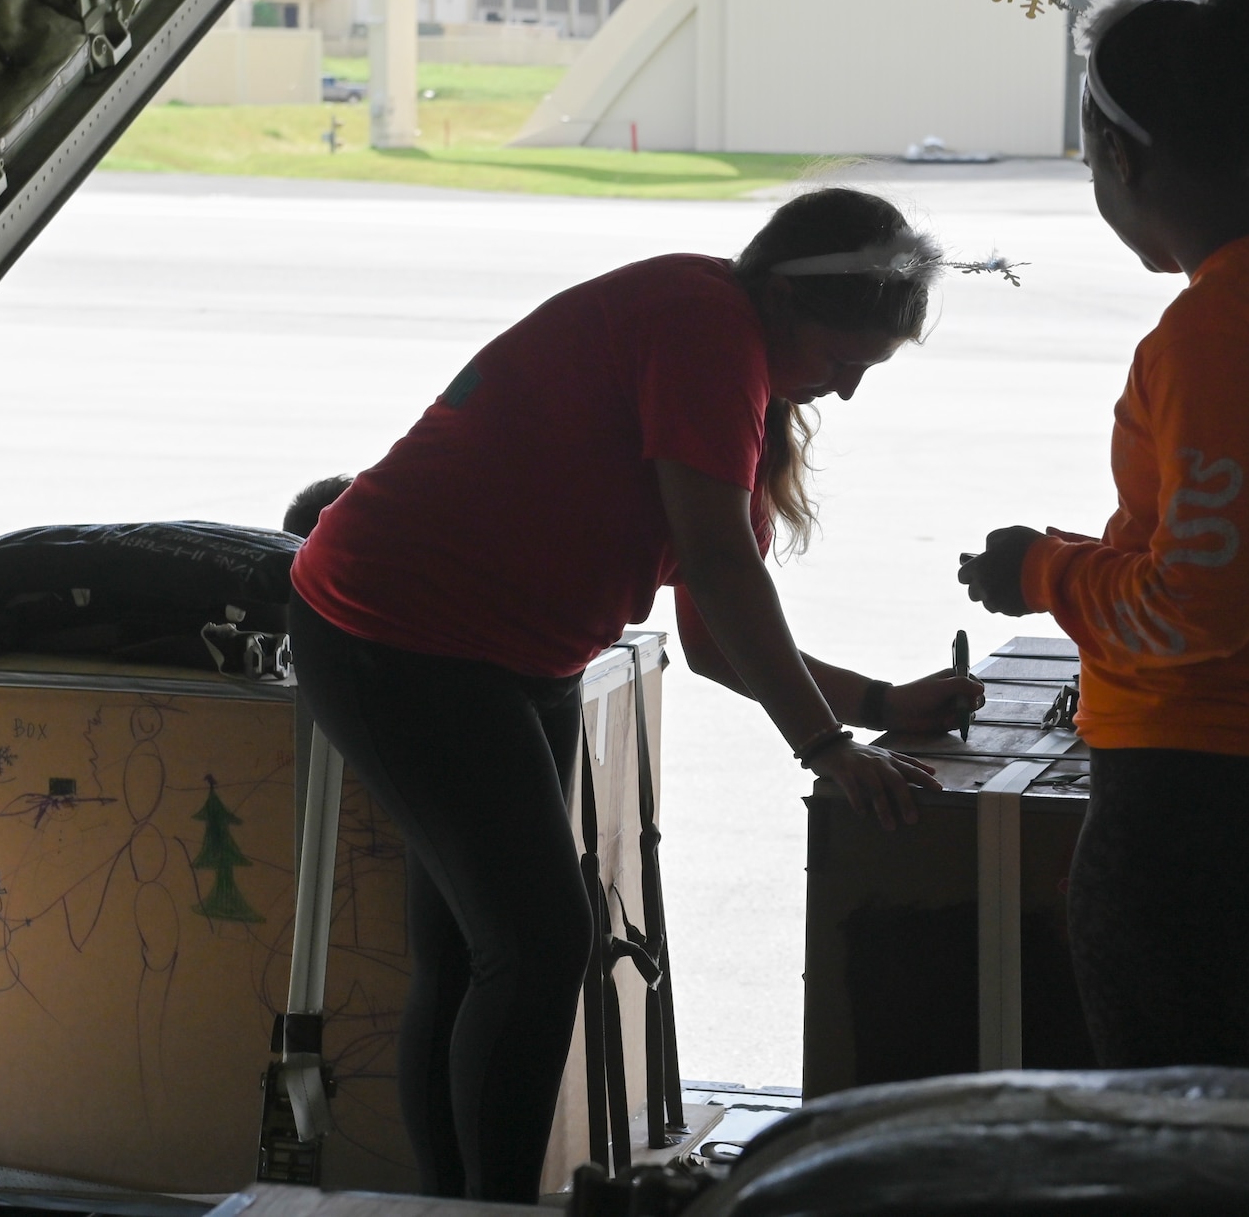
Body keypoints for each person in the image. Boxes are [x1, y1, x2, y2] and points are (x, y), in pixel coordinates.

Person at [287, 187, 984, 1201]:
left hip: (511, 654)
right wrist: (828, 743)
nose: (843, 391)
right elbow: (718, 560)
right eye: (842, 361)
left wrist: (880, 702)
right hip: (396, 635)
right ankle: (485, 1207)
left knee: (482, 948)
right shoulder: (702, 325)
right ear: (787, 303)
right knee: (534, 946)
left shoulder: (733, 372)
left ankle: (458, 1204)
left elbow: (710, 639)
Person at [958, 0, 1249, 1071]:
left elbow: (1199, 604)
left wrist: (1042, 572)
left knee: (1170, 1116)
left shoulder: (1215, 331)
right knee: (1232, 1079)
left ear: (1121, 154)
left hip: (1198, 794)